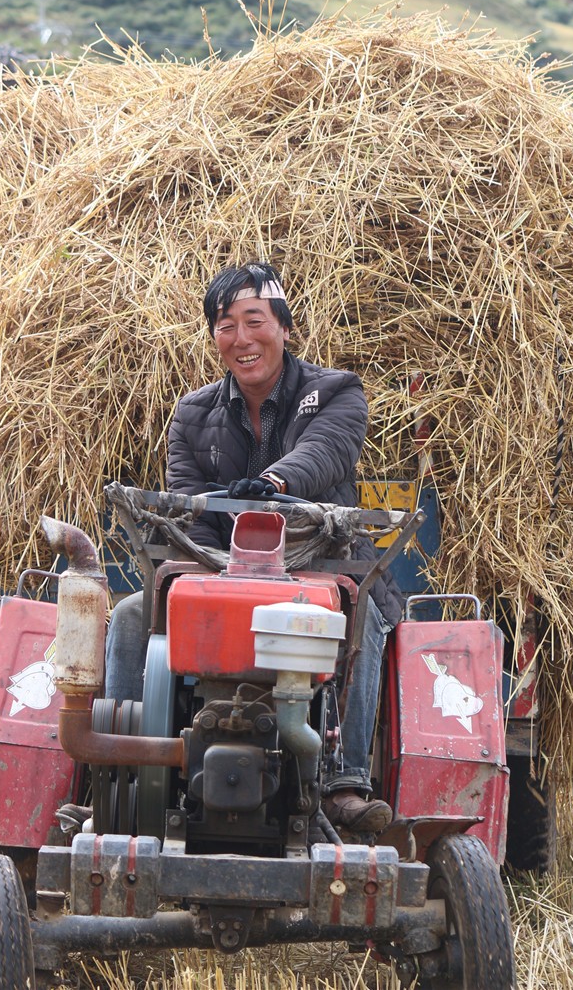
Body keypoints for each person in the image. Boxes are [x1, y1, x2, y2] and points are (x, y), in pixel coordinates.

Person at [105, 261, 402, 832]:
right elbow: (188, 510)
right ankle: (119, 777)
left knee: (360, 616)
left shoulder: (336, 392)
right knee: (129, 616)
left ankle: (342, 782)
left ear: (284, 327)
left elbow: (325, 453)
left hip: (321, 569)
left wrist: (274, 484)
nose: (241, 338)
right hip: (221, 573)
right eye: (226, 326)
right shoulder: (192, 414)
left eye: (254, 321)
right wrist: (213, 569)